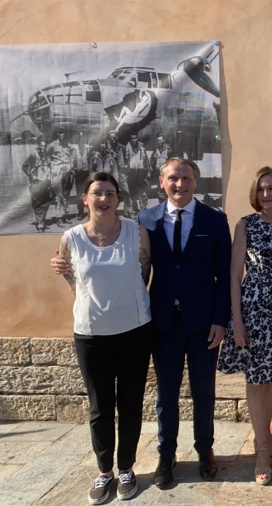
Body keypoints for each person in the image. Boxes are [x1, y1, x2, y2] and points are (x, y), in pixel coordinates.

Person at [50, 172, 153, 504]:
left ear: (119, 200)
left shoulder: (137, 234)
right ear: (85, 199)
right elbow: (67, 273)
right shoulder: (71, 238)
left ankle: (126, 468)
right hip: (91, 335)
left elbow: (144, 271)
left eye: (110, 193)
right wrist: (83, 300)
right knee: (100, 407)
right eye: (97, 193)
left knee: (130, 405)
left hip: (135, 332)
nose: (103, 199)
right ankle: (104, 471)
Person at [137, 157, 231, 489]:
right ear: (162, 181)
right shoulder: (145, 220)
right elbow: (138, 273)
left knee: (203, 391)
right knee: (166, 393)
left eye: (186, 178)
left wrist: (221, 320)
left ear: (196, 181)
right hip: (163, 323)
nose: (180, 185)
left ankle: (205, 450)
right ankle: (166, 455)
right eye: (173, 178)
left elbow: (224, 276)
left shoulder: (215, 220)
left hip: (204, 323)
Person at [218, 167, 272, 486]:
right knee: (256, 380)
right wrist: (236, 321)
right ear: (255, 194)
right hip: (255, 310)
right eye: (261, 189)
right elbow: (234, 275)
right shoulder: (246, 224)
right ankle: (263, 452)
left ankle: (262, 438)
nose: (266, 194)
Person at [22, 137, 53, 232]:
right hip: (36, 182)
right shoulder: (33, 155)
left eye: (44, 146)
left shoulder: (47, 155)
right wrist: (32, 176)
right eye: (41, 145)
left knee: (46, 202)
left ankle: (42, 220)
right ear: (38, 145)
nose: (43, 147)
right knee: (37, 202)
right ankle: (40, 224)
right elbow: (24, 166)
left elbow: (49, 167)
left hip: (45, 182)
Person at [48, 129, 74, 227]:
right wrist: (51, 168)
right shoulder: (52, 145)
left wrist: (71, 164)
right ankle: (58, 218)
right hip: (57, 171)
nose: (62, 135)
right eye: (60, 133)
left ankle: (64, 216)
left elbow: (73, 153)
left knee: (66, 195)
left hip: (67, 172)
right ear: (58, 134)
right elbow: (46, 156)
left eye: (64, 133)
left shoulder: (68, 145)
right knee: (58, 196)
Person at [123, 133, 152, 218]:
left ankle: (143, 208)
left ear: (137, 139)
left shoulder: (141, 148)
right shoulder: (126, 149)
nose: (133, 140)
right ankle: (135, 209)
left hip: (140, 172)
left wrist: (149, 171)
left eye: (135, 138)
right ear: (130, 140)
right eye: (132, 139)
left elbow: (146, 160)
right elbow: (123, 160)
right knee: (132, 192)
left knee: (142, 191)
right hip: (131, 173)